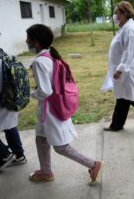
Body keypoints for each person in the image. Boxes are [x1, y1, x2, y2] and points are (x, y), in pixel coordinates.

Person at [26, 24, 102, 185]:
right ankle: (46, 172)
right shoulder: (50, 56)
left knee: (61, 147)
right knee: (41, 139)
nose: (26, 41)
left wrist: (30, 93)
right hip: (53, 108)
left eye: (29, 39)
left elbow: (45, 91)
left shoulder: (39, 61)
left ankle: (93, 164)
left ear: (37, 43)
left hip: (50, 111)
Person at [0, 22, 26, 174]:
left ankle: (5, 154)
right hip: (10, 99)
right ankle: (19, 155)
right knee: (9, 124)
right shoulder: (1, 52)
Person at [103, 1, 134, 131]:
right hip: (124, 71)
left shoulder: (130, 29)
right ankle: (116, 125)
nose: (115, 16)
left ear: (124, 14)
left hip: (128, 71)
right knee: (123, 98)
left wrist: (120, 70)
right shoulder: (125, 28)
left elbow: (129, 52)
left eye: (116, 13)